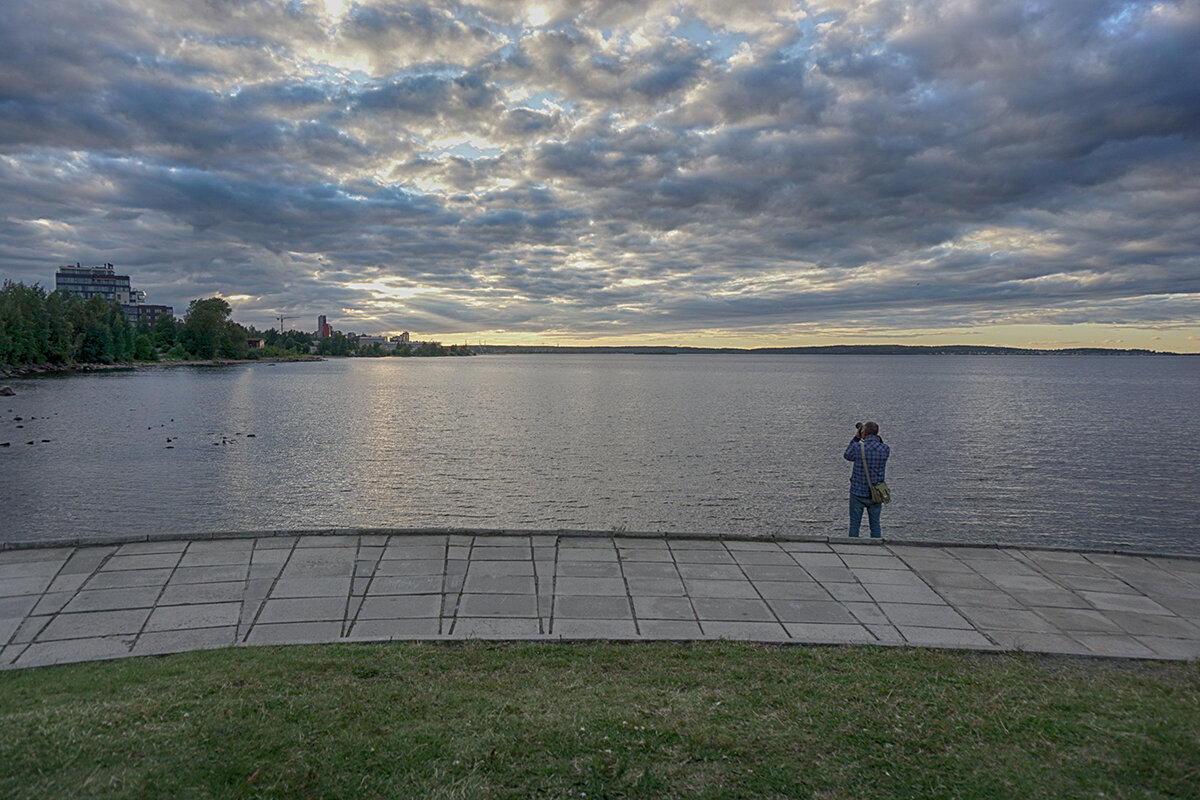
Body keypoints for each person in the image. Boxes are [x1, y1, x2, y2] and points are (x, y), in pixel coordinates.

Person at [844, 421, 889, 538]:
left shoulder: (858, 447)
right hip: (876, 493)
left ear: (864, 432)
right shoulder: (885, 449)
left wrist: (856, 438)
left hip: (857, 492)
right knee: (875, 525)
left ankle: (852, 548)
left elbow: (847, 455)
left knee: (854, 525)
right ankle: (877, 549)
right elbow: (879, 444)